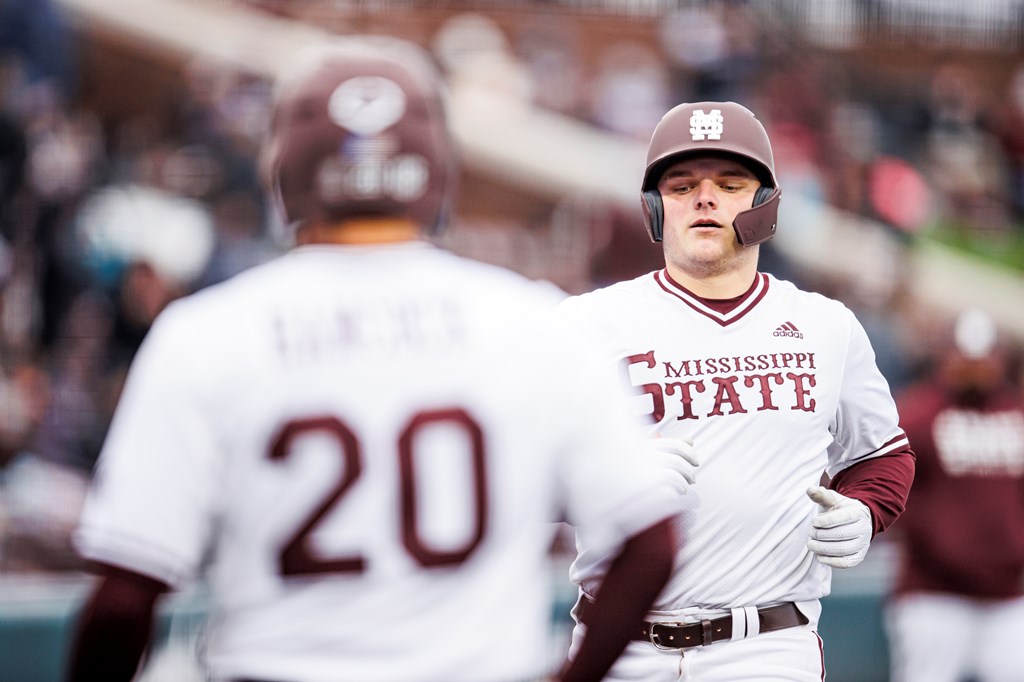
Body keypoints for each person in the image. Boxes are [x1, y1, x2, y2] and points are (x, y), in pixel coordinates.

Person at [64, 37, 697, 682]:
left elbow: (123, 601)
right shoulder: (533, 320)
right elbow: (649, 545)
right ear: (437, 166)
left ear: (285, 165)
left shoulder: (204, 333)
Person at [553, 101, 916, 681]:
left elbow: (883, 454)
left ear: (765, 205)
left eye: (729, 183)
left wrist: (866, 511)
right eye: (681, 185)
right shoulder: (585, 322)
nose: (705, 198)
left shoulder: (826, 325)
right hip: (622, 645)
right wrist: (603, 481)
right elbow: (518, 476)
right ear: (654, 208)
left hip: (767, 644)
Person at [885, 308, 1024, 682]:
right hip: (933, 592)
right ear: (945, 356)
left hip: (1008, 596)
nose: (974, 368)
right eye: (965, 357)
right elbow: (887, 488)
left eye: (983, 358)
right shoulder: (917, 414)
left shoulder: (1016, 414)